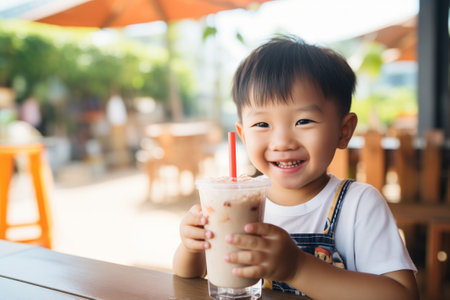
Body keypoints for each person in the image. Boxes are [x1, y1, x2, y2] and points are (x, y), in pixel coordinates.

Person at [172, 35, 419, 299]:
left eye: (303, 121)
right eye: (262, 125)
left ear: (343, 131)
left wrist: (298, 268)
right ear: (243, 136)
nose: (282, 142)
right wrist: (191, 247)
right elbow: (188, 278)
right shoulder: (237, 203)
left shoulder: (359, 205)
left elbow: (403, 295)